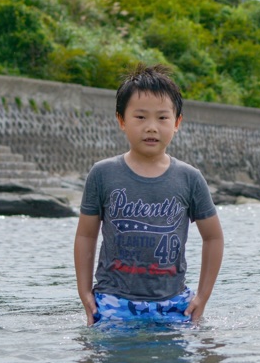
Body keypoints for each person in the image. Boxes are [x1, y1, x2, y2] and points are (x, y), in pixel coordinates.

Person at [73, 63, 224, 325]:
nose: (151, 127)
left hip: (174, 302)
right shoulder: (103, 174)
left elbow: (213, 237)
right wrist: (84, 291)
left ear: (177, 122)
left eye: (162, 118)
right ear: (122, 120)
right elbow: (86, 234)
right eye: (140, 117)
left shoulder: (189, 178)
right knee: (99, 361)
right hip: (112, 300)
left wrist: (203, 295)